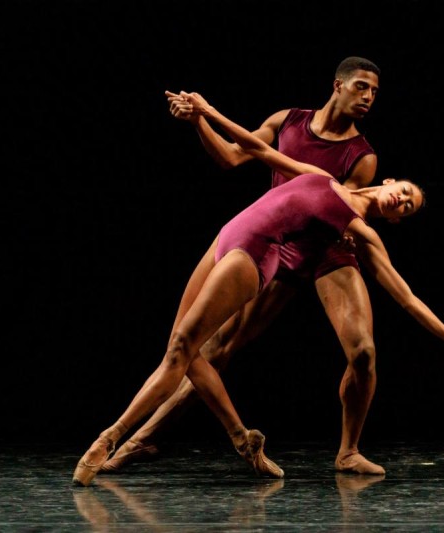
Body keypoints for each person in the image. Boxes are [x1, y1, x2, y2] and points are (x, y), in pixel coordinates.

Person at [72, 91, 444, 487]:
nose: (402, 200)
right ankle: (237, 437)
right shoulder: (320, 171)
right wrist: (205, 112)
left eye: (407, 207)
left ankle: (115, 439)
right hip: (231, 234)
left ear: (397, 221)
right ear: (393, 181)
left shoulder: (361, 225)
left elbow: (407, 297)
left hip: (266, 254)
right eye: (405, 192)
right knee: (194, 350)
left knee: (188, 346)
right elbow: (257, 150)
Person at [102, 56, 390, 475]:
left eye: (375, 92)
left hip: (327, 252)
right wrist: (198, 121)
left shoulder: (362, 155)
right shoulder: (288, 121)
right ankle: (143, 439)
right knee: (214, 348)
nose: (368, 97)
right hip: (281, 248)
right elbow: (233, 157)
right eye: (362, 86)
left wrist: (208, 112)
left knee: (363, 350)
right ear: (338, 85)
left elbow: (341, 212)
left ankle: (348, 451)